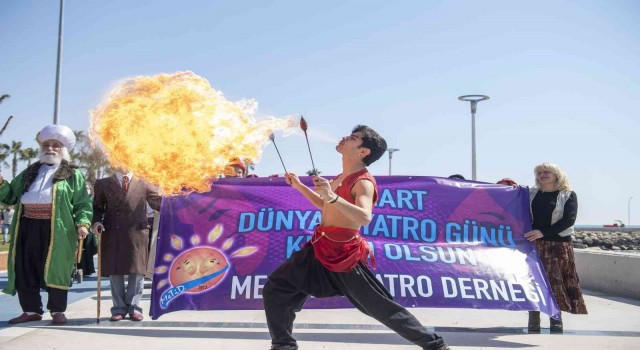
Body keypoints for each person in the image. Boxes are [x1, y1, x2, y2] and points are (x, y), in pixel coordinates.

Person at [263, 125, 449, 350]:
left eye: (353, 137)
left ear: (363, 151)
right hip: (318, 247)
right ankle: (283, 346)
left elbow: (364, 217)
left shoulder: (363, 181)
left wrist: (331, 196)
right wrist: (300, 186)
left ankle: (435, 346)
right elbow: (325, 205)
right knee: (277, 287)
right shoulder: (343, 175)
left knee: (379, 307)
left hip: (343, 255)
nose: (344, 137)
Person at [0, 124, 92, 325]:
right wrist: (0, 183)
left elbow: (82, 203)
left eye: (55, 145)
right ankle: (31, 310)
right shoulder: (28, 173)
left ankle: (57, 311)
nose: (50, 148)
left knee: (56, 267)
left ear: (63, 149)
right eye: (47, 144)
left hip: (57, 229)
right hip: (26, 227)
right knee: (25, 267)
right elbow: (10, 197)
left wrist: (82, 223)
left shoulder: (73, 174)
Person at [524, 163, 587, 333]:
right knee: (533, 282)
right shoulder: (530, 194)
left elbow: (568, 220)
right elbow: (510, 200)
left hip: (558, 247)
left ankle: (556, 319)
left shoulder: (568, 195)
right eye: (539, 172)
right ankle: (534, 318)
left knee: (555, 284)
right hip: (533, 246)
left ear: (556, 174)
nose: (542, 175)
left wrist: (542, 232)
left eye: (546, 172)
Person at [92, 168, 161, 321]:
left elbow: (157, 203)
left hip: (137, 232)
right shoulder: (103, 183)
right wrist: (96, 221)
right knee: (115, 271)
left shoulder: (144, 183)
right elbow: (97, 208)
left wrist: (175, 199)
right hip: (112, 231)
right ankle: (118, 308)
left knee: (137, 271)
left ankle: (134, 308)